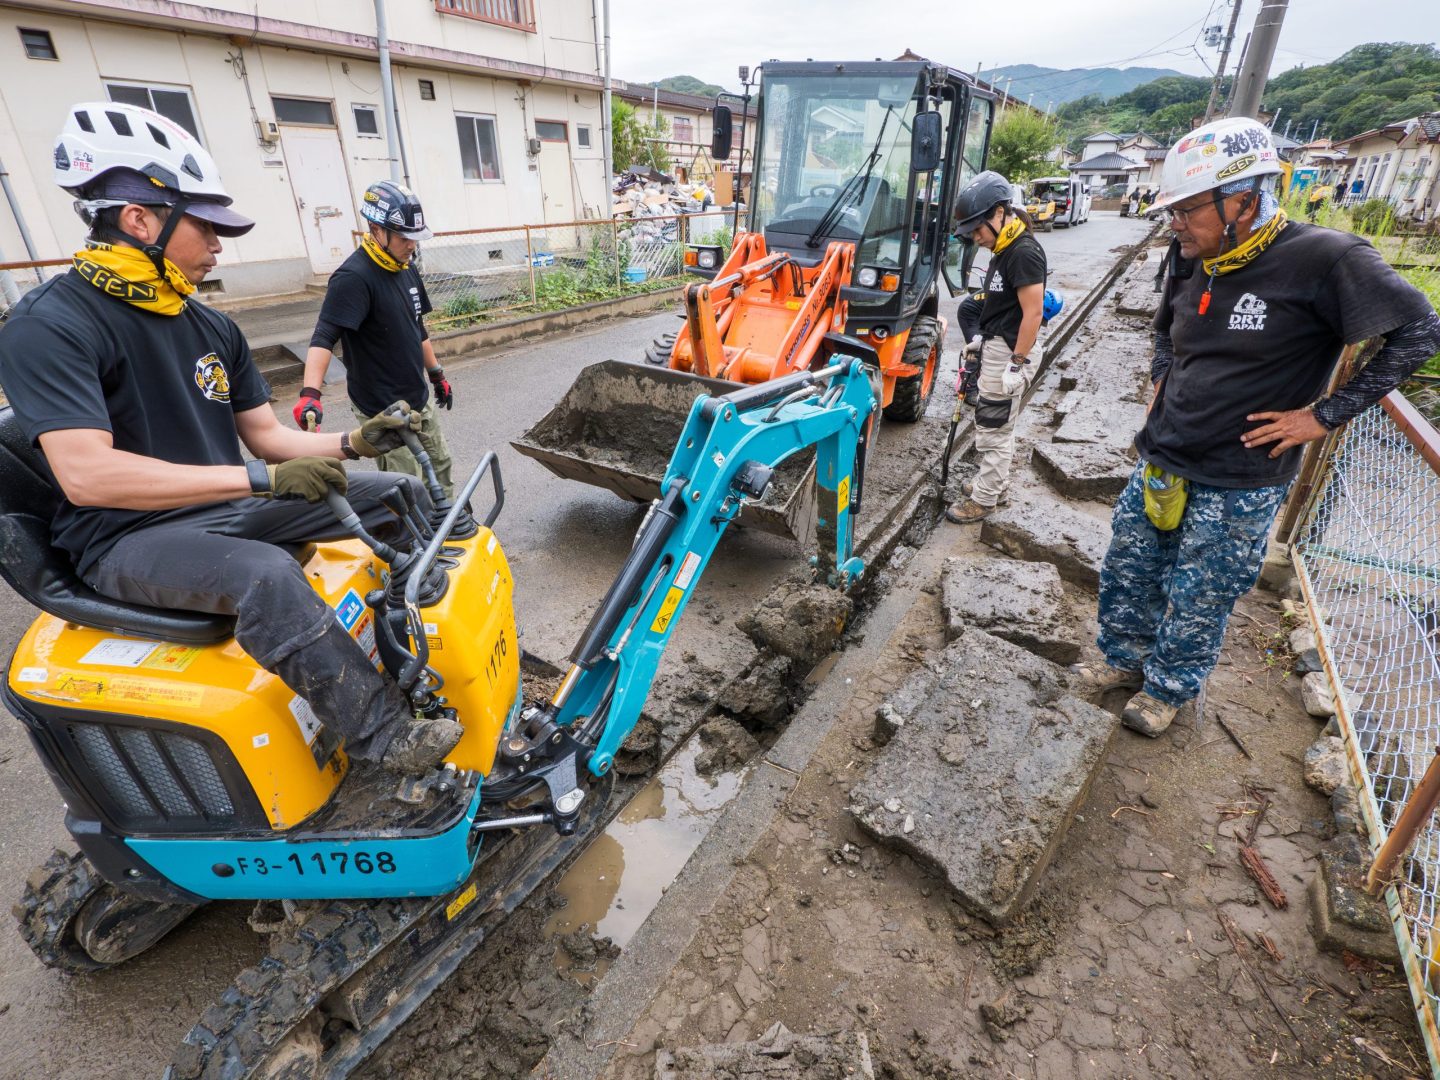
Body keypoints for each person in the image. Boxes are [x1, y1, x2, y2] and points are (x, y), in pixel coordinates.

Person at [0, 102, 463, 774]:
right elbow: (86, 476)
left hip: (223, 509)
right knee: (265, 575)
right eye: (207, 225)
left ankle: (423, 642)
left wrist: (354, 444)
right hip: (125, 538)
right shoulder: (52, 325)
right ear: (140, 220)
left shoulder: (209, 326)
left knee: (400, 491)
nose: (221, 242)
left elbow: (269, 440)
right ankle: (386, 738)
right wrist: (256, 480)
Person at [1078, 116, 1440, 737]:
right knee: (1131, 566)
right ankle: (1122, 660)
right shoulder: (1192, 251)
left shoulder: (1325, 259)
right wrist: (1164, 375)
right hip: (1164, 452)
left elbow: (1420, 331)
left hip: (1241, 474)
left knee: (1203, 591)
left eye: (1187, 209)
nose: (1175, 223)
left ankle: (1166, 688)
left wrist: (1323, 416)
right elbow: (1167, 325)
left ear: (1242, 200)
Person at [297, 181, 456, 498]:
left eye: (415, 237)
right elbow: (324, 335)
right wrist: (310, 393)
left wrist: (436, 373)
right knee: (405, 484)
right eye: (403, 237)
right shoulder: (354, 278)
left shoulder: (406, 268)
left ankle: (450, 527)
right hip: (381, 408)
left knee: (440, 466)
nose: (412, 245)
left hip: (417, 396)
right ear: (376, 229)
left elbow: (417, 327)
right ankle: (414, 542)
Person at [945, 170, 1047, 524]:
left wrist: (1016, 363)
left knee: (993, 427)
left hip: (1011, 349)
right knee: (997, 423)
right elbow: (1000, 305)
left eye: (978, 229)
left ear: (1000, 213)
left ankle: (985, 499)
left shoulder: (1023, 252)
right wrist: (980, 339)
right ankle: (995, 484)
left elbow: (1033, 313)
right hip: (998, 343)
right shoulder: (1003, 249)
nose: (976, 237)